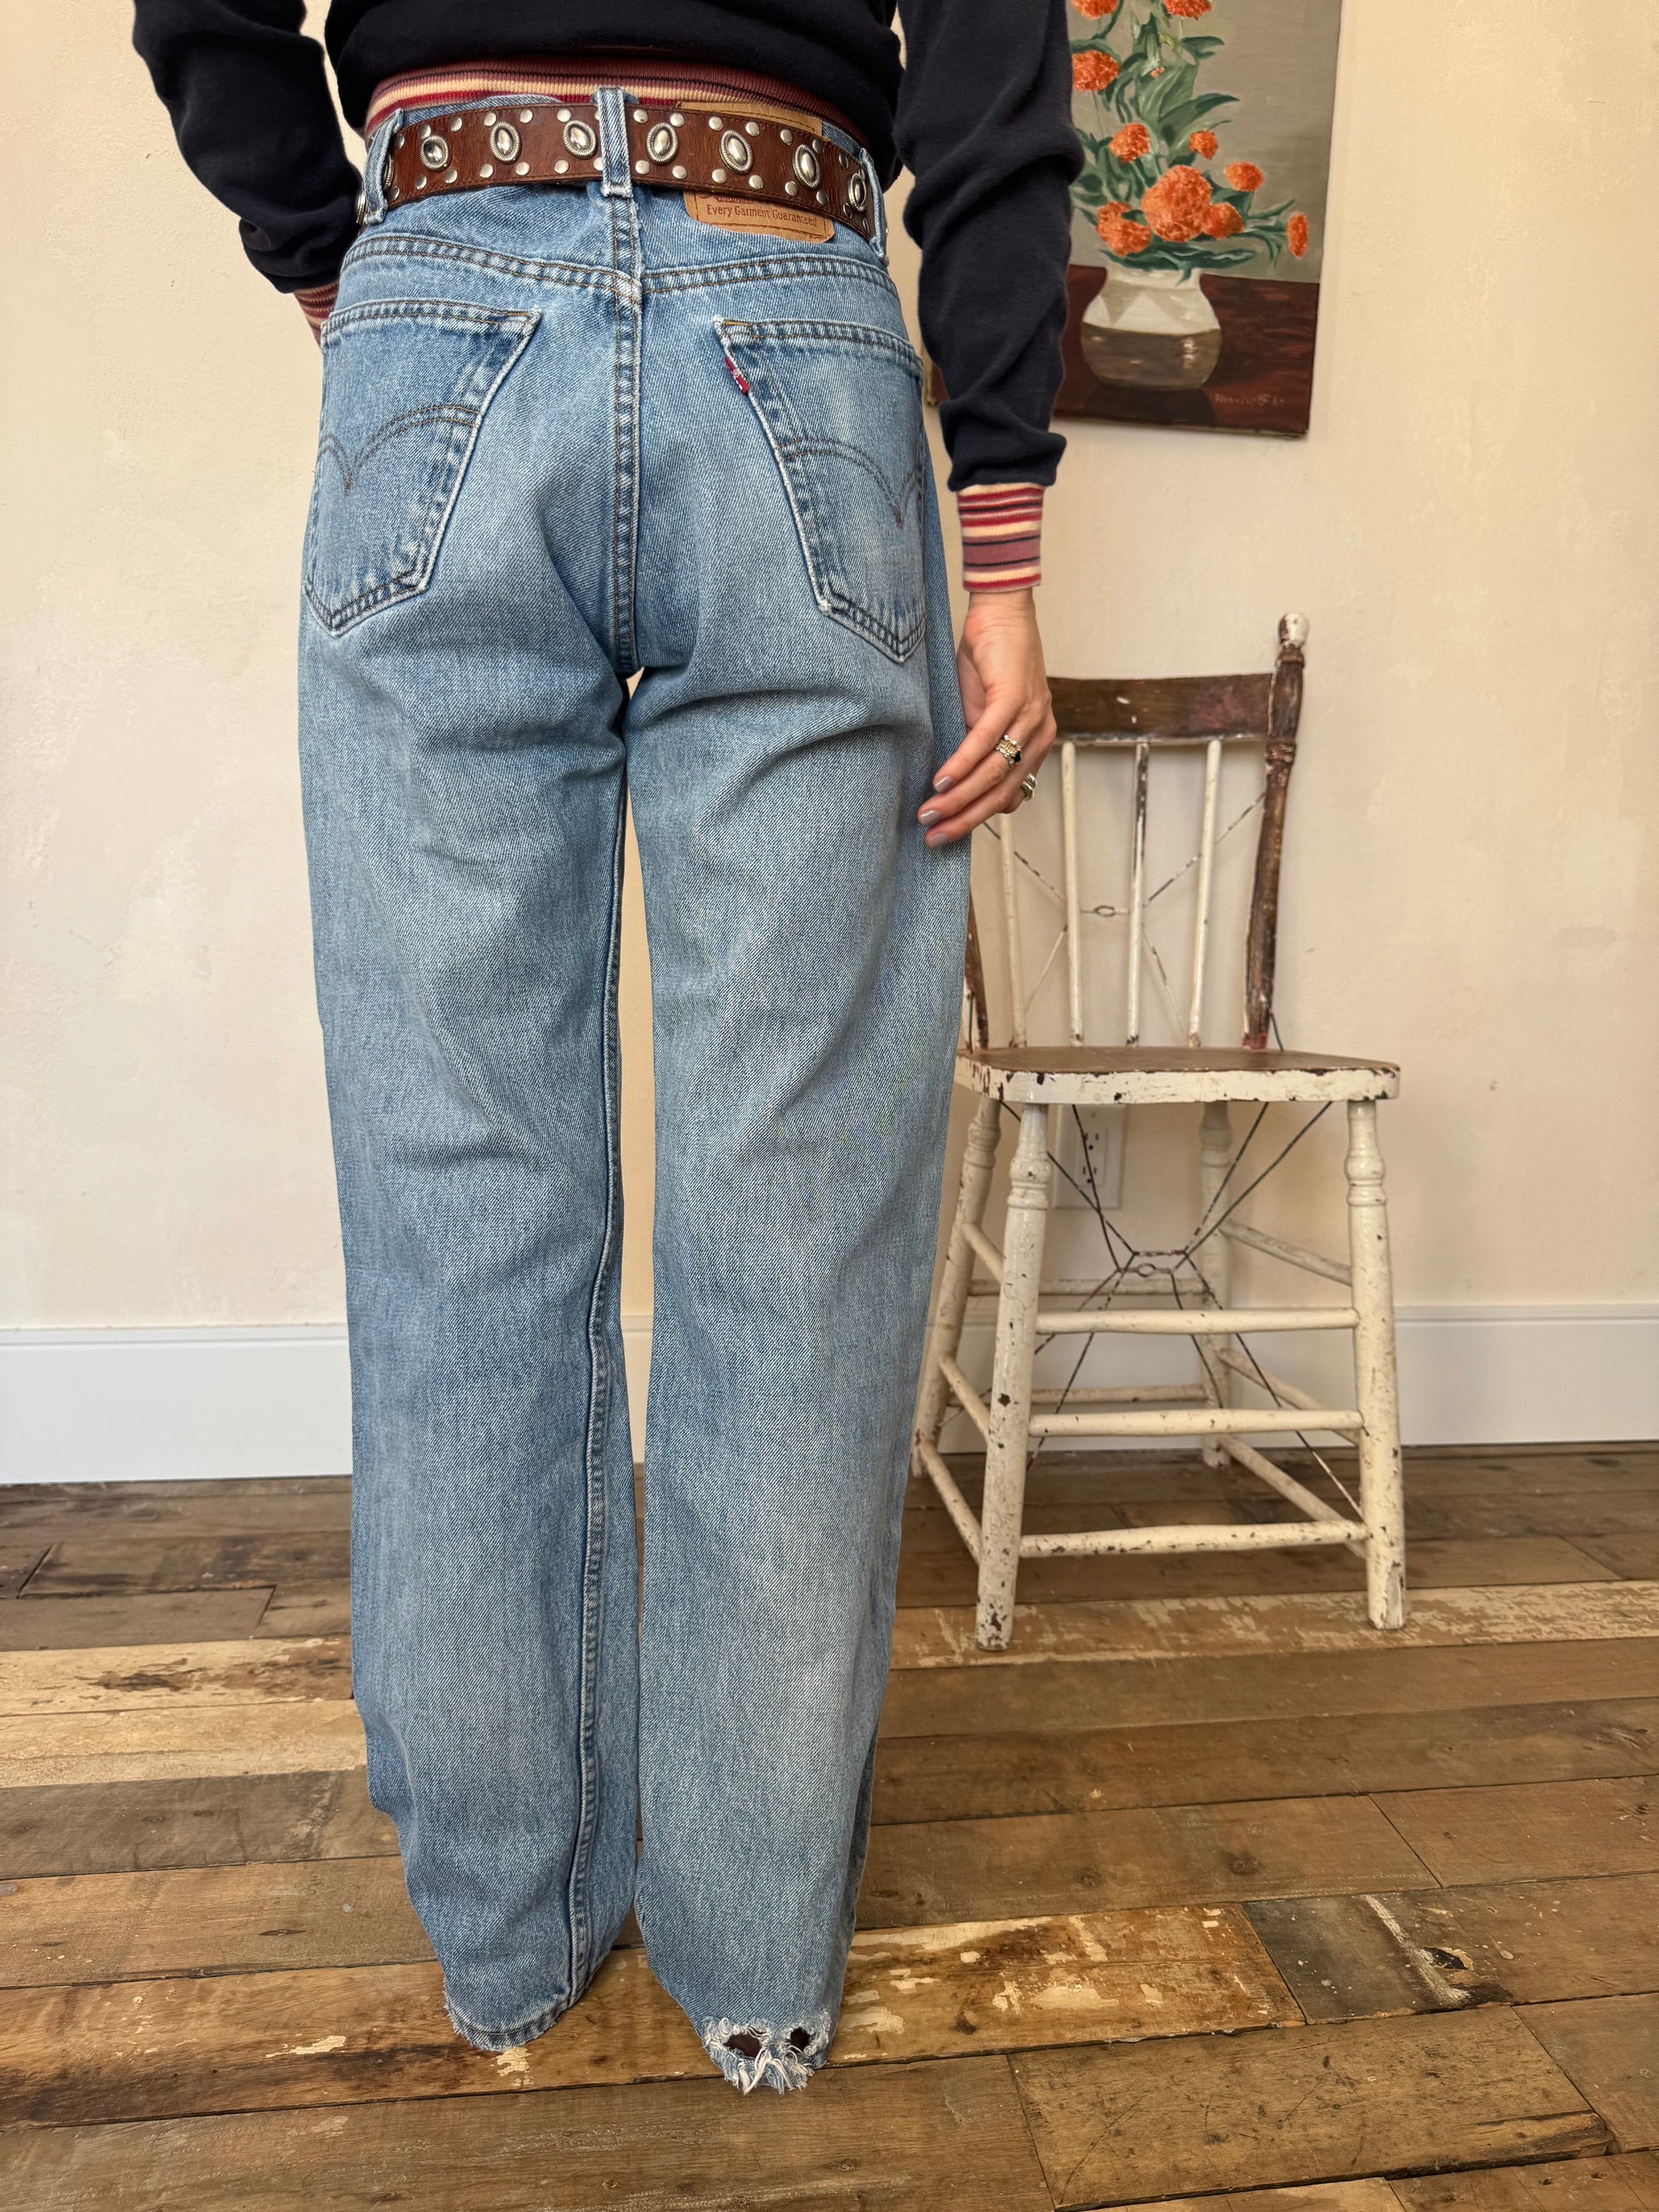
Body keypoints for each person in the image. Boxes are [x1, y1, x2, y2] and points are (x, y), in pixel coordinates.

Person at [131, 0, 1078, 2094]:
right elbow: (995, 69)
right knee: (799, 1225)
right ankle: (752, 1956)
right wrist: (1000, 536)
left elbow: (200, 11)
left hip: (445, 280)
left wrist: (351, 269)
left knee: (457, 1199)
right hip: (794, 304)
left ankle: (509, 1934)